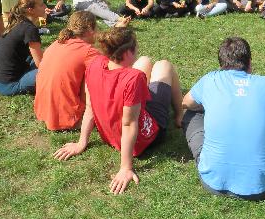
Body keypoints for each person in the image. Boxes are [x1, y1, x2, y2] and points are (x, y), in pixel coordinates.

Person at [53, 28, 185, 195]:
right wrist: (125, 168)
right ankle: (180, 115)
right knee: (164, 65)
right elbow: (129, 124)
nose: (138, 49)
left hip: (111, 136)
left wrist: (81, 142)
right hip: (145, 137)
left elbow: (90, 106)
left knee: (144, 60)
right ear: (128, 52)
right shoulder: (134, 78)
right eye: (136, 47)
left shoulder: (94, 64)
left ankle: (170, 109)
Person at [182, 37, 265, 200]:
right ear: (250, 62)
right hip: (261, 187)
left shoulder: (210, 80)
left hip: (211, 181)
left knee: (190, 114)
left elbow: (186, 103)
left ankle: (209, 160)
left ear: (221, 65)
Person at [34, 11, 101, 130]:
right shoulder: (88, 52)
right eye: (97, 27)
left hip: (43, 112)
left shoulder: (56, 43)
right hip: (68, 117)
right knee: (97, 74)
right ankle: (84, 115)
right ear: (91, 29)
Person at [0, 0, 47, 96]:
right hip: (9, 85)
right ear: (30, 10)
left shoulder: (18, 22)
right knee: (52, 71)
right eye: (41, 5)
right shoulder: (29, 29)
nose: (45, 6)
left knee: (49, 58)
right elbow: (41, 64)